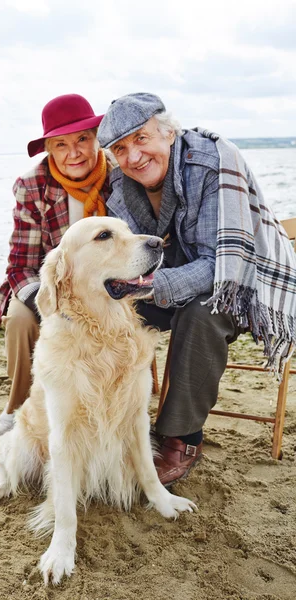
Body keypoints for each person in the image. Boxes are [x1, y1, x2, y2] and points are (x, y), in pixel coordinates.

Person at [97, 93, 296, 486]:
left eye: (141, 139)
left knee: (200, 314)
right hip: (165, 278)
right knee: (106, 306)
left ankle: (181, 437)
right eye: (121, 148)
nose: (134, 156)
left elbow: (216, 265)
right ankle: (111, 422)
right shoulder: (121, 183)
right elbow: (126, 257)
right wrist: (118, 288)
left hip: (236, 281)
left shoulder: (211, 162)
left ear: (168, 132)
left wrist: (148, 285)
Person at [0, 94, 111, 435]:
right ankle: (17, 407)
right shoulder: (32, 186)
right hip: (48, 284)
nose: (74, 153)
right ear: (49, 148)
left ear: (96, 138)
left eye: (82, 140)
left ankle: (113, 407)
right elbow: (20, 266)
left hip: (106, 288)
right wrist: (52, 304)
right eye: (61, 144)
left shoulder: (119, 176)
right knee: (19, 319)